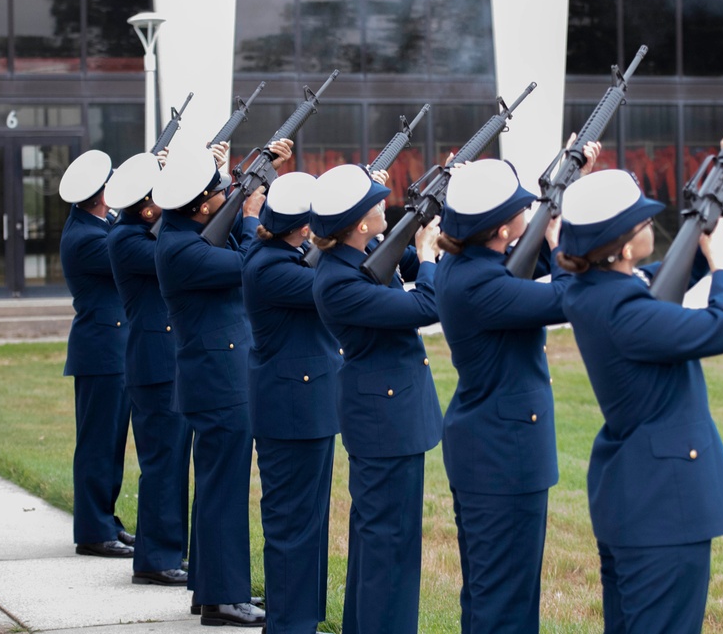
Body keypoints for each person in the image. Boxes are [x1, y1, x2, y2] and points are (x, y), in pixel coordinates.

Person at [557, 131, 723, 634]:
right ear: (626, 245)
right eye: (645, 221)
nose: (654, 224)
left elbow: (675, 268)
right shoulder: (626, 311)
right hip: (664, 510)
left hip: (637, 500)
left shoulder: (598, 288)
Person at [432, 144, 598, 633]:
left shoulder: (464, 267)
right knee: (503, 600)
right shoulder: (483, 284)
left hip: (490, 449)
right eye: (522, 209)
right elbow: (568, 296)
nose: (529, 212)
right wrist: (559, 229)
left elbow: (529, 274)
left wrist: (566, 183)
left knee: (493, 593)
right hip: (504, 457)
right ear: (502, 229)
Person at [152, 138, 289, 627]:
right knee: (223, 490)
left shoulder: (186, 231)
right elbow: (250, 266)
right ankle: (224, 597)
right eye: (218, 194)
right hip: (217, 379)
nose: (223, 197)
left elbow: (225, 229)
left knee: (217, 487)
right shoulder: (182, 249)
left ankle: (208, 591)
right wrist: (251, 216)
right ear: (198, 205)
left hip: (216, 374)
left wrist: (259, 170)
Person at [310, 163, 442, 634]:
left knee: (380, 543)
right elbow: (425, 307)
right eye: (375, 202)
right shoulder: (338, 281)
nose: (384, 203)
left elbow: (397, 258)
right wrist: (426, 256)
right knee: (390, 546)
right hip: (385, 421)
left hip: (386, 416)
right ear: (360, 223)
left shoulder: (358, 256)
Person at [241, 171, 341, 634]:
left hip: (304, 406)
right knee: (292, 526)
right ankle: (288, 625)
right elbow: (337, 288)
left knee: (308, 525)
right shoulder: (272, 268)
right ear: (305, 227)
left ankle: (299, 620)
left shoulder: (283, 253)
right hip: (292, 410)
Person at [105, 150, 190, 586]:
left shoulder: (143, 231)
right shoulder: (128, 240)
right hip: (154, 364)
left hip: (166, 361)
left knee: (174, 462)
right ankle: (156, 558)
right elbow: (176, 249)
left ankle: (171, 549)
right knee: (162, 463)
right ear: (147, 207)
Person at [58, 149, 133, 559]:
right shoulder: (88, 238)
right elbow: (127, 248)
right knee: (98, 445)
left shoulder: (92, 223)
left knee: (111, 443)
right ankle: (92, 531)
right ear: (102, 194)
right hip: (102, 351)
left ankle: (105, 520)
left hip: (108, 349)